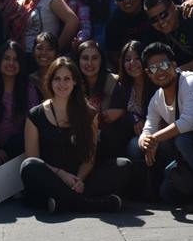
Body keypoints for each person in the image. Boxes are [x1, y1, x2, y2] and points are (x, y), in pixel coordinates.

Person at [20, 57, 130, 214]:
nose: (62, 84)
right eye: (57, 79)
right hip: (51, 177)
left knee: (123, 165)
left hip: (79, 178)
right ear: (50, 82)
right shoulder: (35, 114)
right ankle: (91, 204)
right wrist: (62, 175)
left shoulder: (90, 113)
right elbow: (33, 157)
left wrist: (78, 180)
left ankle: (62, 202)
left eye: (67, 79)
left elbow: (89, 159)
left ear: (75, 82)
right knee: (29, 166)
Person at [134, 43, 193, 211]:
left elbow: (189, 122)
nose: (160, 71)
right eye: (154, 68)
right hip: (187, 155)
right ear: (148, 74)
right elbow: (148, 128)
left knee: (182, 141)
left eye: (164, 65)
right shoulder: (156, 98)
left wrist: (155, 138)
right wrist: (146, 142)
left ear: (174, 65)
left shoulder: (190, 81)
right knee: (167, 193)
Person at [0, 41, 38, 164]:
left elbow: (33, 122)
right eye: (6, 58)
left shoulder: (28, 88)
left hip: (17, 147)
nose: (11, 63)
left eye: (16, 60)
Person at [144, 0, 193, 73]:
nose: (160, 22)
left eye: (163, 15)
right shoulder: (154, 31)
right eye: (154, 19)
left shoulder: (191, 16)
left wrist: (174, 73)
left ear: (173, 7)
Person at [104, 0, 152, 65]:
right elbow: (113, 54)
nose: (126, 0)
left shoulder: (155, 5)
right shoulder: (114, 21)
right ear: (114, 0)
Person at [29, 31, 59, 97]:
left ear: (56, 54)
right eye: (40, 48)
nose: (44, 53)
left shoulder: (61, 79)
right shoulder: (29, 81)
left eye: (49, 49)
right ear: (33, 51)